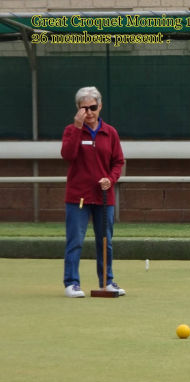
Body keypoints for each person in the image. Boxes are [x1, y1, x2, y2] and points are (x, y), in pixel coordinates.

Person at [61, 86, 126, 298]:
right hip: (78, 196)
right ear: (78, 109)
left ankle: (107, 282)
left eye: (93, 107)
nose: (89, 112)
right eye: (84, 108)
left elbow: (118, 162)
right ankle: (72, 283)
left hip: (104, 196)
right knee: (76, 240)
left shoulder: (110, 132)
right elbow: (68, 155)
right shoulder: (71, 131)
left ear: (100, 107)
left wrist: (111, 178)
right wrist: (77, 127)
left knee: (105, 239)